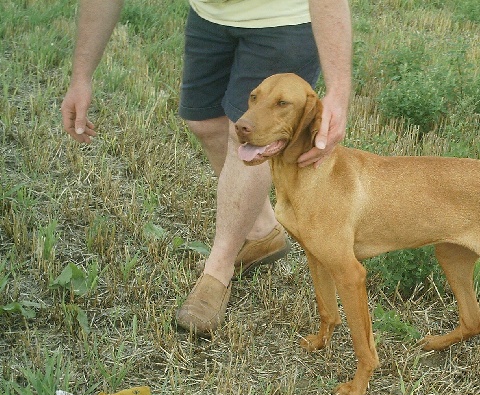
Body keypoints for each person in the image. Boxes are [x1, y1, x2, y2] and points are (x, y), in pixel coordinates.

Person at [61, 0, 352, 334]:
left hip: (279, 19)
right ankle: (262, 232)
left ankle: (218, 269)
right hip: (209, 15)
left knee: (248, 135)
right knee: (204, 120)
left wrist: (339, 91)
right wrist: (81, 77)